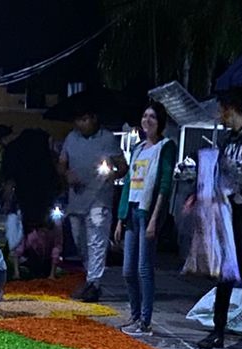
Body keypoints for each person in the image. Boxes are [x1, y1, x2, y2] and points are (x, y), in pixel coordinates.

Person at [195, 87, 242, 349]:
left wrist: (234, 176)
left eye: (220, 109)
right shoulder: (230, 138)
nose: (219, 115)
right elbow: (220, 171)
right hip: (227, 209)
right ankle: (218, 330)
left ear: (229, 108)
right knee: (225, 273)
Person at [114, 100, 176, 337]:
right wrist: (120, 218)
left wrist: (154, 219)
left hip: (147, 211)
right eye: (144, 116)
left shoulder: (165, 147)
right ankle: (135, 314)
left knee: (144, 268)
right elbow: (129, 183)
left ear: (160, 123)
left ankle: (145, 321)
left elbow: (164, 185)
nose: (147, 120)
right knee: (128, 270)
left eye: (152, 117)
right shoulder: (139, 148)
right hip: (131, 210)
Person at [58, 103, 126, 301]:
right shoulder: (71, 138)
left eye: (85, 119)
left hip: (99, 199)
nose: (81, 124)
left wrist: (111, 174)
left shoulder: (108, 139)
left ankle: (94, 283)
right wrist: (66, 173)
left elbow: (123, 166)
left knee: (96, 241)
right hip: (76, 200)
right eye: (78, 120)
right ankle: (91, 279)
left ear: (94, 118)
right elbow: (61, 164)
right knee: (81, 243)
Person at [0, 122, 58, 239]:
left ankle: (34, 252)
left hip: (28, 197)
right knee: (49, 228)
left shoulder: (10, 151)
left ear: (3, 139)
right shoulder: (33, 134)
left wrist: (7, 203)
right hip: (49, 189)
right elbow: (51, 142)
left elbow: (9, 182)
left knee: (31, 230)